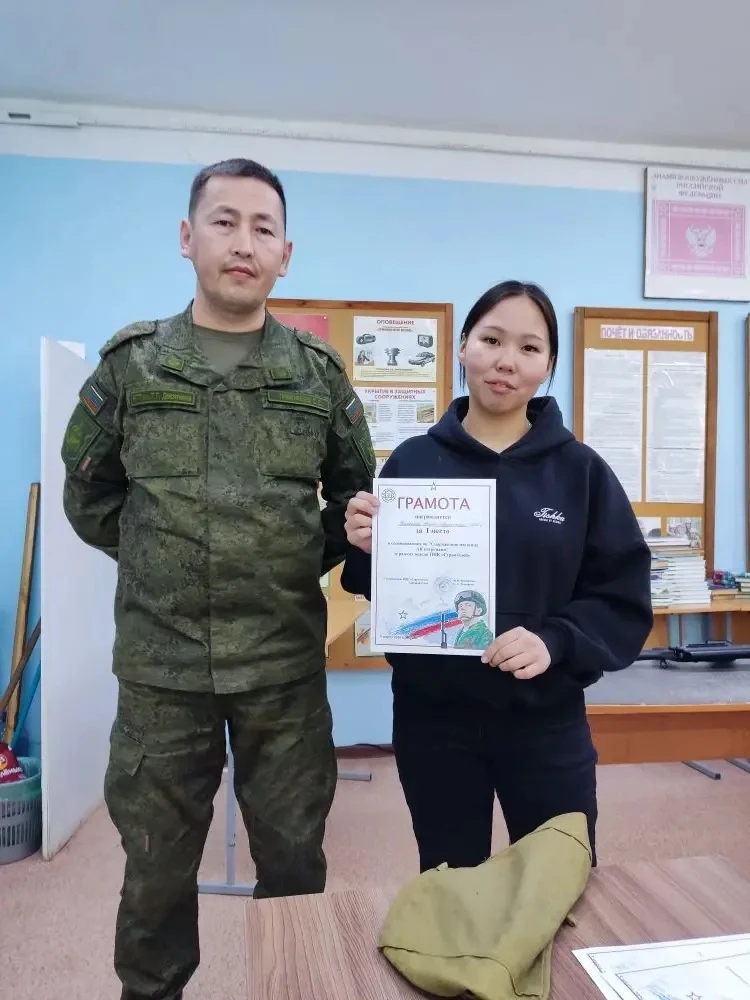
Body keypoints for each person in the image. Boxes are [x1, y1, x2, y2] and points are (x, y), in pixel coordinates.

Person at [60, 158, 375, 1000]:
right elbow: (88, 495)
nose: (244, 242)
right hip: (163, 671)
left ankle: (295, 987)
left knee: (295, 863)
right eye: (224, 221)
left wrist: (286, 557)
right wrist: (164, 558)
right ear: (187, 236)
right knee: (155, 872)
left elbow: (355, 499)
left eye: (263, 228)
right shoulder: (132, 367)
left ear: (286, 254)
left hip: (282, 668)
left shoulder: (316, 375)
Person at [341, 280, 653, 874]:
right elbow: (381, 587)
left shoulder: (582, 473)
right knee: (450, 880)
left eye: (530, 348)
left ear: (549, 365)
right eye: (491, 340)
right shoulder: (413, 461)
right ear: (463, 346)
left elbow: (621, 597)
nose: (507, 361)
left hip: (545, 719)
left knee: (557, 880)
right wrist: (365, 547)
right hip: (434, 720)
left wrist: (555, 641)